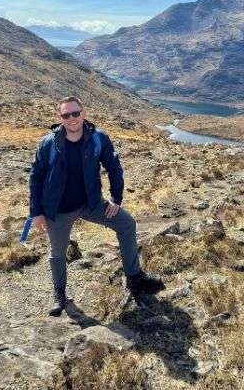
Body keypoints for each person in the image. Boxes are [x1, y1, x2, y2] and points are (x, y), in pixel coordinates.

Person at [29, 96, 164, 316]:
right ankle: (59, 294)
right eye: (66, 115)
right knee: (58, 252)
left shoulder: (98, 138)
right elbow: (36, 178)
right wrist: (36, 212)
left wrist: (115, 199)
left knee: (127, 224)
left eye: (75, 113)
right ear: (59, 117)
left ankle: (134, 277)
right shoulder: (47, 144)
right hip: (58, 209)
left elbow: (114, 168)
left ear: (84, 113)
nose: (72, 118)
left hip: (90, 203)